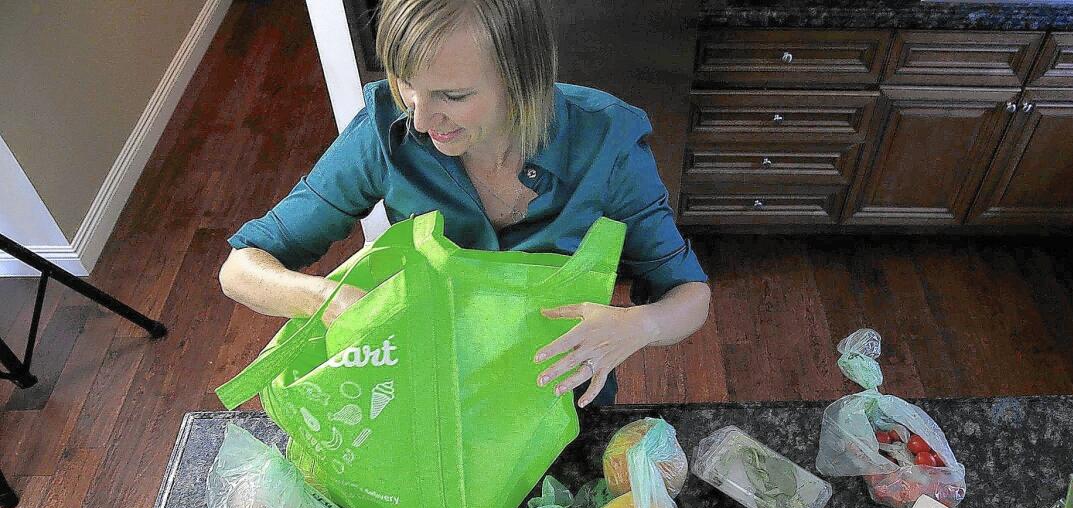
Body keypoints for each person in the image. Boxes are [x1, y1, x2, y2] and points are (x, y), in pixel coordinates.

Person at [219, 0, 710, 408]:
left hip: (559, 399)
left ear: (523, 80)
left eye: (452, 95)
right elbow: (240, 269)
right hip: (425, 391)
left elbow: (689, 293)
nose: (420, 117)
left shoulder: (609, 143)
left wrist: (637, 325)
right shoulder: (383, 131)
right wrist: (333, 302)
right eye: (407, 82)